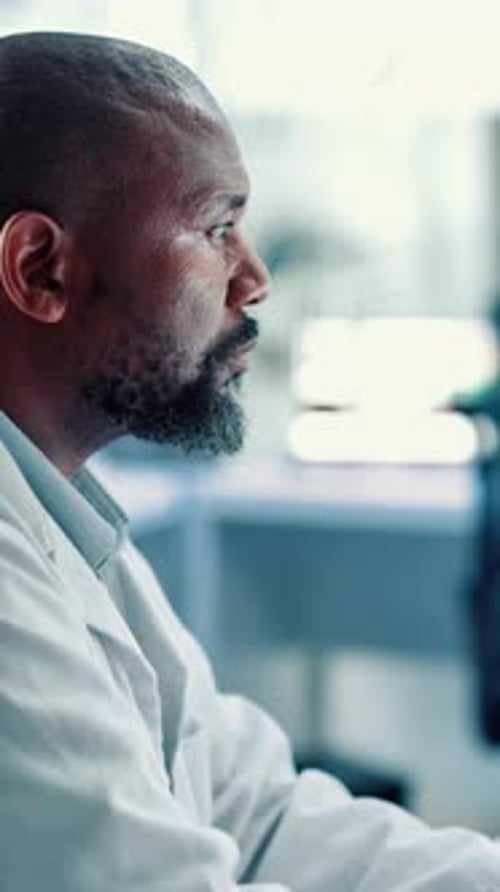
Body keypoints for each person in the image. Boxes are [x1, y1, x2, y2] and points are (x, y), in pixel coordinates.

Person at [0, 31, 497, 892]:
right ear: (41, 269)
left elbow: (252, 813)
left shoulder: (67, 516)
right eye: (217, 227)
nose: (256, 277)